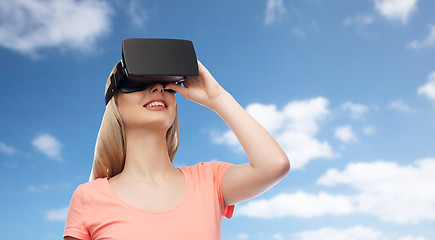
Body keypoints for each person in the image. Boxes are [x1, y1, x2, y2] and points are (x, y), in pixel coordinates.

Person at [63, 59, 290, 240]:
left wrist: (217, 97)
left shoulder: (209, 180)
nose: (158, 88)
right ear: (114, 101)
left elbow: (274, 165)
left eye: (167, 83)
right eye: (137, 81)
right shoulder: (89, 197)